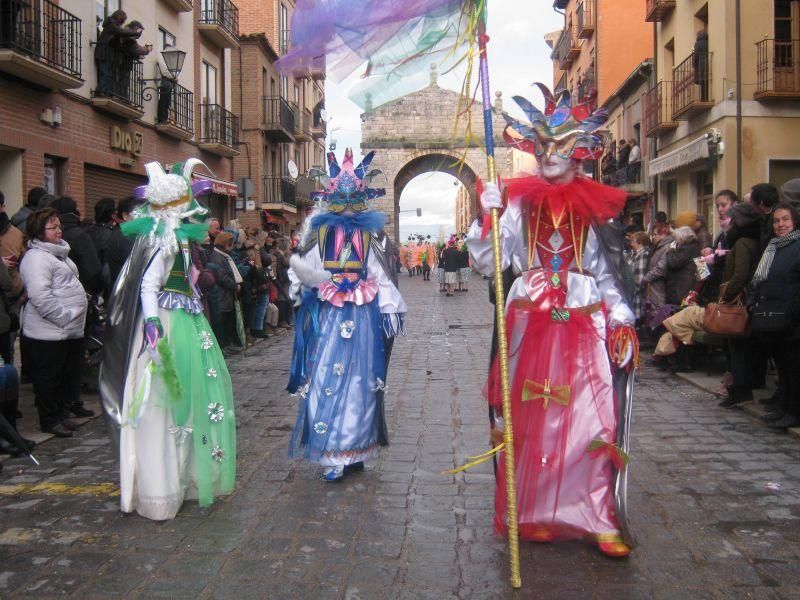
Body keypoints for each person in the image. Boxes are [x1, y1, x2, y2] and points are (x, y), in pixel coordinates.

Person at [466, 85, 637, 557]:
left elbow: (607, 275)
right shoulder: (517, 205)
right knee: (531, 417)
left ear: (580, 151)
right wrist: (487, 216)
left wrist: (621, 318)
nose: (549, 154)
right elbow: (485, 261)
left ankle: (596, 515)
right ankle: (536, 512)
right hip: (528, 319)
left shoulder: (595, 208)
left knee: (590, 417)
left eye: (559, 145)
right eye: (542, 145)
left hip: (582, 321)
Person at [100, 160, 236, 520]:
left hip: (185, 319)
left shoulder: (177, 239)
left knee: (187, 402)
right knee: (164, 402)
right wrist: (154, 325)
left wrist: (194, 287)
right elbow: (147, 284)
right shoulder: (162, 241)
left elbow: (183, 279)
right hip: (169, 323)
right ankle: (162, 487)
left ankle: (185, 478)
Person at [287, 149, 406, 482]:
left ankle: (357, 449)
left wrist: (389, 308)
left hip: (363, 318)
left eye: (355, 196)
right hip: (329, 318)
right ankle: (332, 451)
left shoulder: (372, 236)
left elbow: (379, 275)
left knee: (362, 384)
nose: (349, 203)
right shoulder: (318, 235)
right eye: (342, 196)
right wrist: (304, 283)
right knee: (325, 378)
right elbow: (304, 270)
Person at [19, 208, 89, 437]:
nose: (59, 231)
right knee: (48, 377)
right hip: (49, 330)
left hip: (69, 330)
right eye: (53, 227)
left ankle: (60, 413)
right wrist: (64, 316)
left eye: (59, 226)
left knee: (64, 374)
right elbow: (40, 296)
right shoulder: (36, 258)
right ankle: (49, 419)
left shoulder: (58, 254)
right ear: (39, 231)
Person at [749, 202, 800, 430]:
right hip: (772, 316)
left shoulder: (797, 244)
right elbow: (761, 278)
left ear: (794, 221)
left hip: (792, 317)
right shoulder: (773, 246)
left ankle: (794, 411)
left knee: (794, 367)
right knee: (783, 367)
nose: (781, 225)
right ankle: (784, 407)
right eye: (777, 220)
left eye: (785, 219)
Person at [52, 197, 104, 295]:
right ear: (75, 212)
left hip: (57, 292)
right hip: (80, 292)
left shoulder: (48, 236)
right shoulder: (80, 235)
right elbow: (93, 270)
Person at [207, 231, 243, 352]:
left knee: (227, 321)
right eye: (231, 243)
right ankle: (222, 347)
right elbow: (222, 276)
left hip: (226, 295)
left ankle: (227, 345)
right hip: (221, 294)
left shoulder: (224, 255)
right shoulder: (218, 256)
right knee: (221, 321)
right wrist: (234, 285)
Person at [94, 9, 138, 97]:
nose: (123, 22)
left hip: (108, 54)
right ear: (118, 17)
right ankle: (100, 91)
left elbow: (118, 40)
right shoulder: (111, 25)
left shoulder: (113, 26)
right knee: (105, 73)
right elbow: (121, 31)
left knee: (109, 74)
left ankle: (106, 92)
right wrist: (134, 32)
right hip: (104, 53)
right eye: (123, 20)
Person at [107, 196, 144, 287]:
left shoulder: (120, 233)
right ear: (125, 216)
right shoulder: (125, 236)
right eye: (137, 214)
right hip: (127, 290)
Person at [663, 226, 700, 305]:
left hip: (681, 289)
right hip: (689, 287)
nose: (676, 242)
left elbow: (673, 263)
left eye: (677, 239)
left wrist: (671, 250)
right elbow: (703, 271)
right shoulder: (696, 246)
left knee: (679, 311)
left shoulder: (686, 248)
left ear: (682, 238)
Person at [627, 231, 651, 325]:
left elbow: (640, 278)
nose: (631, 244)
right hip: (633, 294)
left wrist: (632, 290)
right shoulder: (636, 254)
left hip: (636, 296)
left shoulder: (642, 255)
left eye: (633, 242)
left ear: (640, 242)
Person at [693, 30, 709, 102]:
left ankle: (703, 98)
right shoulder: (707, 42)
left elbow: (696, 54)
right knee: (706, 80)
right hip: (707, 63)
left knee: (702, 80)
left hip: (700, 63)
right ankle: (706, 97)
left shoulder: (697, 44)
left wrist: (694, 64)